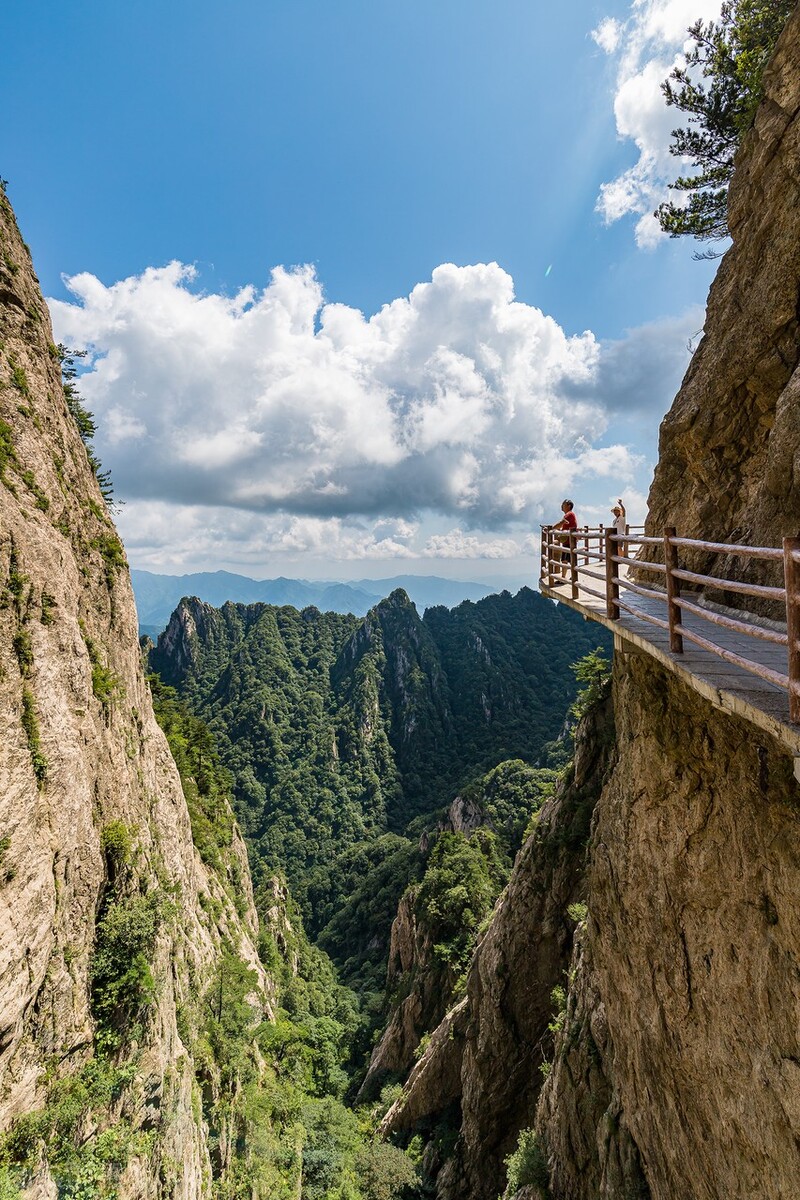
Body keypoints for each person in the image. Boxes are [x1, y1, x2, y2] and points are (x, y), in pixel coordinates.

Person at [547, 499, 578, 584]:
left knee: (565, 560)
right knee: (570, 559)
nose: (561, 505)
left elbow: (561, 523)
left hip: (569, 541)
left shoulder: (569, 514)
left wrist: (551, 529)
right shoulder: (570, 514)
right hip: (569, 540)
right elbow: (564, 525)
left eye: (563, 504)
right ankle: (570, 577)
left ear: (568, 506)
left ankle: (564, 579)